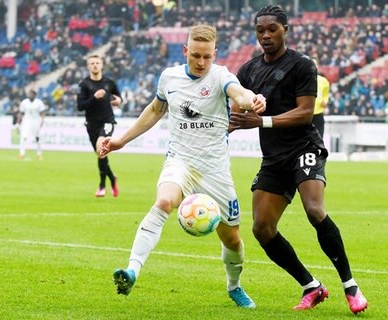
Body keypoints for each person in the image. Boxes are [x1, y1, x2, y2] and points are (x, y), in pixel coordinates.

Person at [100, 24, 266, 308]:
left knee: (233, 240)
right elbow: (155, 110)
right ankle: (132, 270)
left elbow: (239, 93)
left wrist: (253, 100)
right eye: (196, 56)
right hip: (181, 161)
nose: (201, 63)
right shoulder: (170, 78)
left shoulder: (220, 76)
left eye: (207, 57)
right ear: (186, 51)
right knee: (164, 201)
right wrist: (121, 141)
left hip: (214, 169)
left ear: (215, 54)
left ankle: (234, 286)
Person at [229, 5, 368, 315]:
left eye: (272, 29)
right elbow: (239, 109)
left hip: (304, 147)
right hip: (274, 158)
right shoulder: (248, 71)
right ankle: (311, 286)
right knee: (262, 229)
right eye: (260, 30)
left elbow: (306, 111)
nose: (265, 35)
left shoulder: (303, 65)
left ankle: (350, 285)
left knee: (314, 209)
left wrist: (261, 122)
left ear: (286, 30)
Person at [77, 55, 122, 197]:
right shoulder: (84, 84)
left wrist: (118, 100)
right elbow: (80, 106)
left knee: (100, 148)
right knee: (100, 154)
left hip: (107, 121)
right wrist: (94, 97)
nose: (95, 65)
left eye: (97, 63)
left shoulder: (109, 82)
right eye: (92, 63)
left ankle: (102, 186)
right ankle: (112, 178)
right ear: (88, 66)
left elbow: (118, 97)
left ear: (102, 65)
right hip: (91, 124)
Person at [18, 89, 46, 160]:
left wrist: (42, 120)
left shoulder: (39, 102)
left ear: (34, 95)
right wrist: (19, 121)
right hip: (27, 121)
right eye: (29, 94)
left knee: (38, 138)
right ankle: (22, 154)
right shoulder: (24, 102)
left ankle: (39, 154)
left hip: (36, 121)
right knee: (24, 137)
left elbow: (42, 112)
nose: (29, 95)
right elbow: (21, 113)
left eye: (31, 94)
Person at [312, 59, 330, 139]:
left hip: (318, 114)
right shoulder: (301, 79)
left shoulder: (324, 81)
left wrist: (325, 102)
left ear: (318, 66)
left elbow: (326, 95)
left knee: (319, 139)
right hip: (305, 115)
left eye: (315, 64)